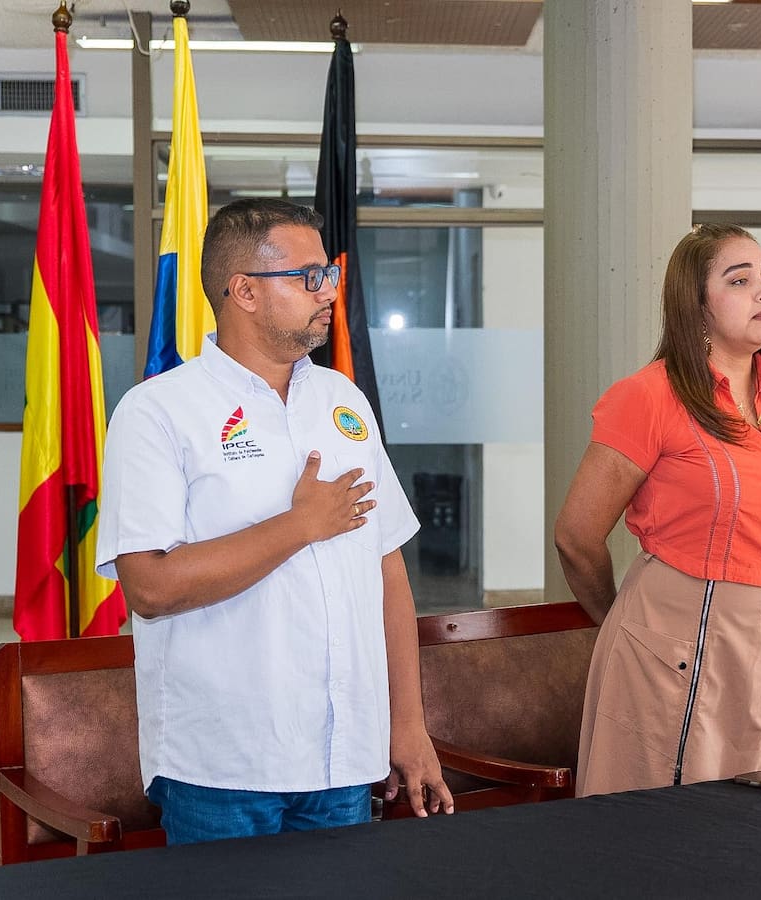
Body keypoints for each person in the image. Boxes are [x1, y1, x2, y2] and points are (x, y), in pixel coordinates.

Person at [96, 198, 452, 844]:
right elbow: (148, 586)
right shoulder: (158, 412)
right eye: (309, 276)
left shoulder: (342, 400)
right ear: (244, 292)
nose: (329, 291)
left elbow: (387, 570)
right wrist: (299, 526)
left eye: (329, 273)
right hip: (223, 764)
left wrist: (407, 724)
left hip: (343, 755)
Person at [555, 223, 761, 797]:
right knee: (674, 826)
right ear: (696, 306)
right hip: (672, 641)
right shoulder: (648, 396)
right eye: (739, 280)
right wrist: (621, 623)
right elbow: (576, 536)